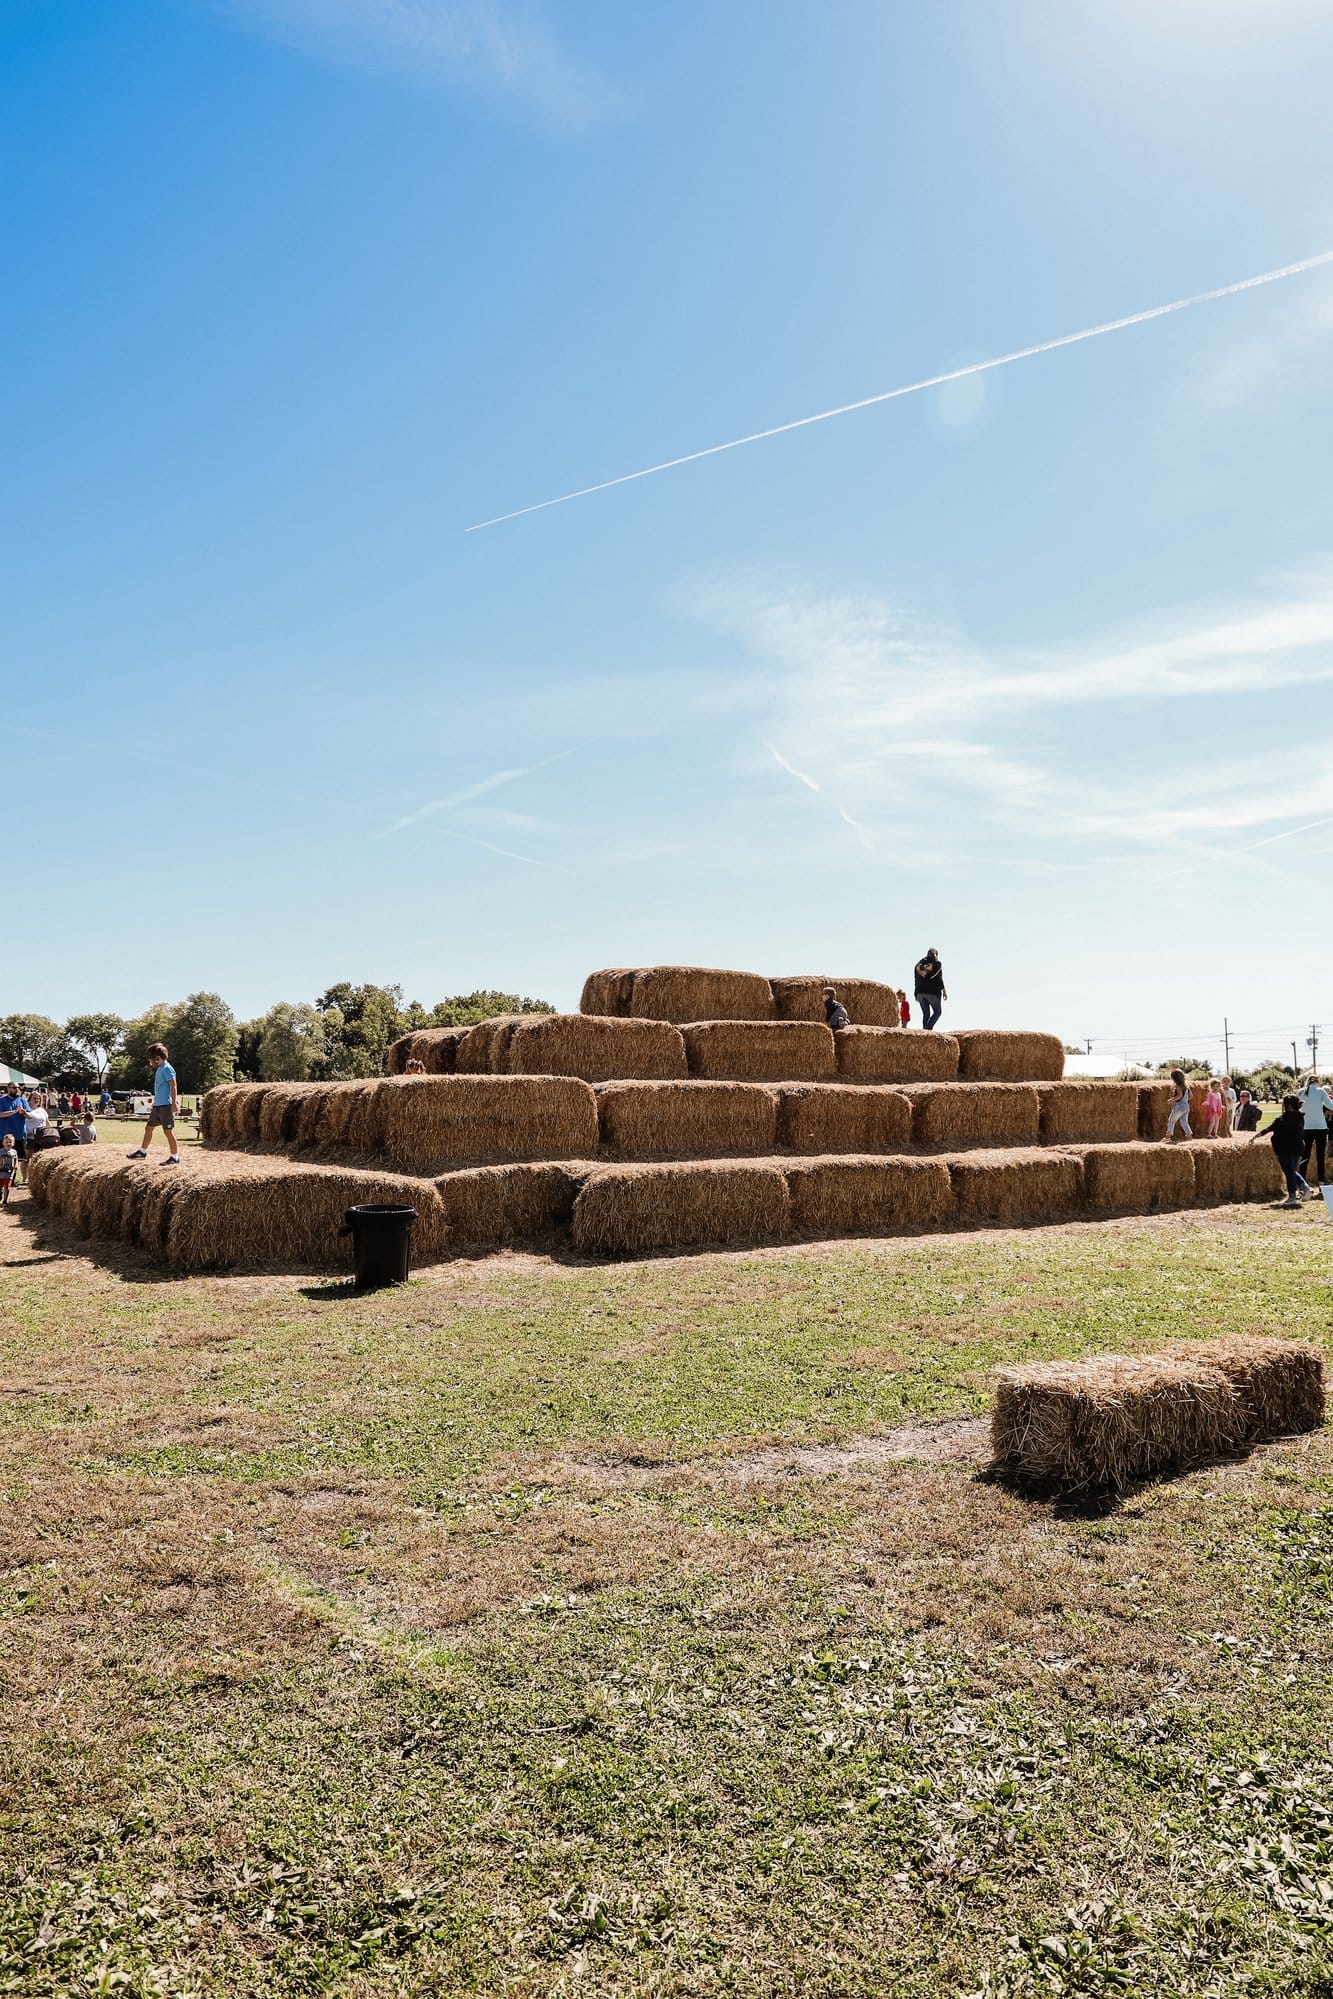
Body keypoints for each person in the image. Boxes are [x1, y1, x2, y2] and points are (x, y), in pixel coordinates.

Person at [1253, 1092, 1313, 1207]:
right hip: (1298, 1147)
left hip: (1285, 1149)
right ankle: (1304, 1188)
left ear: (1287, 1105)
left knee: (1289, 1172)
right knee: (1292, 1170)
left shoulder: (1282, 1119)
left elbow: (1269, 1128)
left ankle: (1293, 1196)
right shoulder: (1300, 1117)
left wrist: (1255, 1137)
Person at [127, 1042, 181, 1165]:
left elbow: (173, 1086)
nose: (150, 1062)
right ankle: (142, 1151)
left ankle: (175, 1157)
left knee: (168, 1131)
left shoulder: (167, 1068)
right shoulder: (160, 1069)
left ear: (158, 1059)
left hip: (166, 1106)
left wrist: (174, 1103)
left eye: (151, 1060)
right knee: (149, 1128)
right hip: (158, 1105)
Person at [1298, 1074, 1333, 1188]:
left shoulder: (1300, 1092)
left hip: (1306, 1127)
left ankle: (1302, 1184)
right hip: (1320, 1127)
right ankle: (1321, 1183)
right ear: (1318, 1081)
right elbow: (1331, 1106)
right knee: (1320, 1156)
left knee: (1305, 1156)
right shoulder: (1321, 1091)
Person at [0, 1084, 31, 1188]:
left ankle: (12, 1180)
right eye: (14, 1087)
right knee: (3, 1159)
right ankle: (2, 1181)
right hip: (4, 1136)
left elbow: (29, 1116)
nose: (17, 1089)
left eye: (18, 1088)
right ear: (8, 1089)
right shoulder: (2, 1100)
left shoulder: (22, 1100)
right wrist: (14, 1111)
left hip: (19, 1135)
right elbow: (1, 1114)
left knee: (18, 1159)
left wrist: (24, 1112)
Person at [913, 949, 946, 1031]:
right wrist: (944, 991)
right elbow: (939, 979)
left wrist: (916, 993)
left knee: (926, 1014)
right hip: (932, 992)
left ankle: (925, 1033)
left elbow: (916, 979)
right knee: (937, 1012)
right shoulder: (937, 964)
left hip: (920, 993)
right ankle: (928, 1030)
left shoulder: (918, 965)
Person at [1164, 1068, 1192, 1142]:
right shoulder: (1186, 1085)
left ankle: (1167, 1137)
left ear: (1174, 1078)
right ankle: (1189, 1136)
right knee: (1184, 1122)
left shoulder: (1178, 1086)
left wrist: (1170, 1100)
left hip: (1179, 1106)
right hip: (1186, 1106)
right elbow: (1191, 1096)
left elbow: (1179, 1095)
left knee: (1171, 1121)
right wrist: (1184, 1100)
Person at [0, 1135, 16, 1206]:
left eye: (10, 1142)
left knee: (6, 1187)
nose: (8, 1143)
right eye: (6, 1142)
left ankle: (5, 1201)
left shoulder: (14, 1152)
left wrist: (15, 1167)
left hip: (8, 1173)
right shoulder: (0, 1151)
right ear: (3, 1143)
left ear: (13, 1143)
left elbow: (16, 1160)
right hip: (0, 1172)